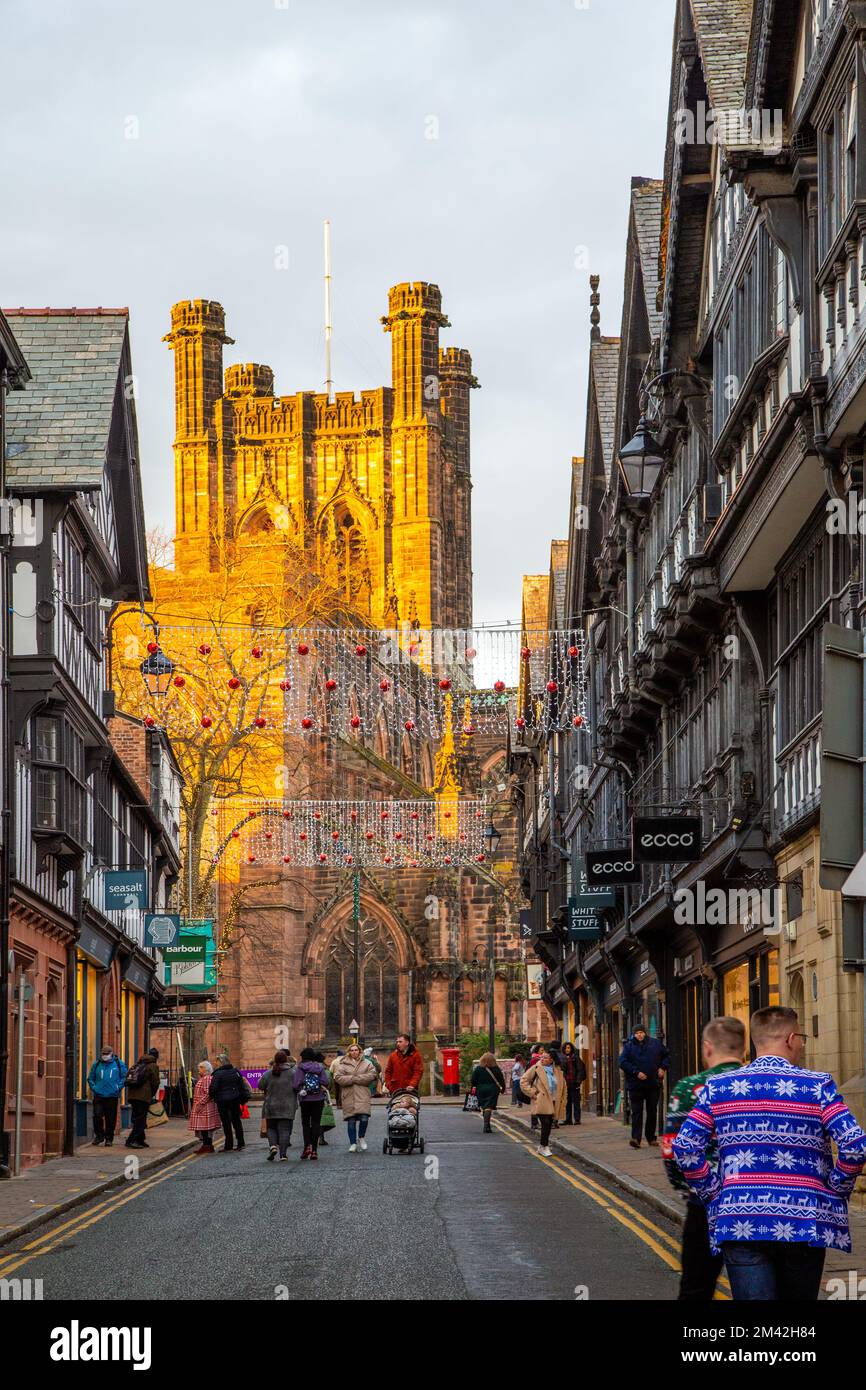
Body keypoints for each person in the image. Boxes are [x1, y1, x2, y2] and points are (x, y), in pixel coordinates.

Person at [673, 1006, 866, 1302]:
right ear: (791, 1038)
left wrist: (714, 1193)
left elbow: (685, 1146)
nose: (802, 1044)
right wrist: (835, 1188)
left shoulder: (718, 1088)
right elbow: (854, 1145)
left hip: (740, 1217)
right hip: (803, 1220)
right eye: (801, 1037)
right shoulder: (817, 1087)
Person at [661, 1016, 745, 1301]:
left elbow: (672, 1151)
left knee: (696, 1288)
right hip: (756, 1203)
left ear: (707, 1047)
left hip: (705, 1204)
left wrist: (687, 1189)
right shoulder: (759, 1084)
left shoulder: (689, 1088)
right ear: (743, 1049)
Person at [618, 1025, 670, 1148]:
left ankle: (651, 1138)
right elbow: (622, 1062)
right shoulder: (629, 1047)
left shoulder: (656, 1044)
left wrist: (663, 1067)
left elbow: (667, 1055)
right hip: (635, 1085)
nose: (639, 1035)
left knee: (652, 1111)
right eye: (637, 1033)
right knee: (637, 1112)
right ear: (634, 1035)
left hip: (653, 1084)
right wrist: (636, 1072)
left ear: (645, 1033)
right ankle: (636, 1138)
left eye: (641, 1032)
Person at [520, 1045, 566, 1156]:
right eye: (542, 1057)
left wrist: (564, 1099)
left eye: (545, 1057)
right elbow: (523, 1081)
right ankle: (544, 1146)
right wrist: (532, 1093)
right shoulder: (536, 1068)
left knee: (549, 1124)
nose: (542, 1059)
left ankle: (542, 1146)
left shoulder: (558, 1071)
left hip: (554, 1101)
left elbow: (563, 1086)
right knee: (545, 1123)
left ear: (552, 1060)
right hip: (541, 1100)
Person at [333, 1044, 377, 1151]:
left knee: (364, 1118)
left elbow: (372, 1075)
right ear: (349, 1052)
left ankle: (361, 1137)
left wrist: (354, 1079)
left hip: (362, 1094)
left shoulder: (367, 1063)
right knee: (351, 1120)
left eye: (356, 1050)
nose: (354, 1052)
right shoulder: (342, 1064)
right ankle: (353, 1143)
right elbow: (338, 1078)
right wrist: (353, 1079)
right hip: (349, 1095)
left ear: (359, 1051)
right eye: (352, 1050)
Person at [258, 1049, 297, 1160]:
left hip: (271, 1106)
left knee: (271, 1128)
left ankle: (273, 1146)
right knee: (284, 1130)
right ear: (286, 1059)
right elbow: (298, 1086)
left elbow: (260, 1085)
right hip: (288, 1106)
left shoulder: (269, 1073)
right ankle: (283, 1155)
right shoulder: (293, 1073)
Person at [292, 1047, 330, 1160]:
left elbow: (295, 1084)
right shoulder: (320, 1067)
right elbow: (325, 1082)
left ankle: (306, 1147)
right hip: (318, 1099)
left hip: (305, 1099)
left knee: (305, 1124)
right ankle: (314, 1151)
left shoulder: (301, 1067)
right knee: (316, 1123)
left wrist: (301, 1089)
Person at [86, 1046, 128, 1146]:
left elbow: (124, 1077)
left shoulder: (118, 1063)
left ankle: (109, 1138)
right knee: (97, 1115)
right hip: (99, 1095)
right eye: (103, 1054)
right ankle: (99, 1136)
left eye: (107, 1054)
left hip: (112, 1095)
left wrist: (118, 1087)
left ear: (111, 1054)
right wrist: (94, 1088)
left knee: (110, 1118)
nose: (105, 1056)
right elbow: (90, 1078)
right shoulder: (96, 1064)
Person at [208, 1052, 248, 1152]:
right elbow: (241, 1085)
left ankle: (228, 1145)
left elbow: (213, 1089)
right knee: (236, 1121)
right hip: (235, 1100)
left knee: (226, 1123)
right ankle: (241, 1143)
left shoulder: (217, 1074)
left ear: (221, 1062)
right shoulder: (235, 1071)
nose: (215, 1064)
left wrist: (213, 1097)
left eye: (216, 1062)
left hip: (222, 1102)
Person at [125, 1051, 160, 1149]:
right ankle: (131, 1140)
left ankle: (140, 1139)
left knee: (138, 1118)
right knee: (140, 1120)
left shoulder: (138, 1063)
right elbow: (155, 1082)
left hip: (132, 1096)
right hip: (143, 1097)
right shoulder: (153, 1065)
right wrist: (151, 1094)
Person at [469, 1051, 506, 1134]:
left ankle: (486, 1125)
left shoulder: (478, 1069)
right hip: (493, 1090)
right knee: (489, 1107)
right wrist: (503, 1089)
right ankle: (487, 1126)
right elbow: (501, 1080)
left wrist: (474, 1087)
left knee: (484, 1107)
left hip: (481, 1090)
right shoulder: (496, 1068)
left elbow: (473, 1080)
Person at [189, 1061, 220, 1154]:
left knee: (205, 1128)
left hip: (204, 1107)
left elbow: (208, 1093)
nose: (198, 1070)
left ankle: (207, 1146)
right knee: (204, 1128)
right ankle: (207, 1146)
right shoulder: (205, 1078)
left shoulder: (207, 1079)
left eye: (200, 1068)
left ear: (205, 1069)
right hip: (203, 1107)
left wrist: (200, 1104)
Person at [561, 1042, 587, 1126]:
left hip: (574, 1083)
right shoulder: (562, 1058)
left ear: (571, 1049)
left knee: (576, 1102)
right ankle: (568, 1119)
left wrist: (578, 1081)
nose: (567, 1049)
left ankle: (577, 1119)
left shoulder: (576, 1058)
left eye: (568, 1048)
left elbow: (580, 1069)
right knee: (567, 1102)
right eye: (565, 1048)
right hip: (566, 1084)